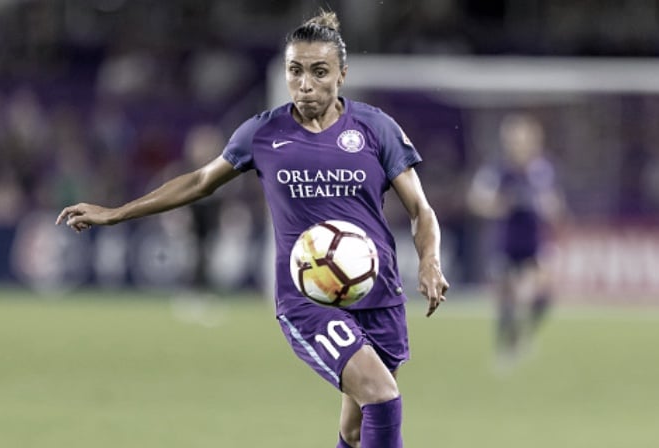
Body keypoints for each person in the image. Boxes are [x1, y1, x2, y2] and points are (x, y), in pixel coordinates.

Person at [56, 10, 449, 448]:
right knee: (381, 395)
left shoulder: (376, 129)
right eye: (295, 70)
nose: (305, 83)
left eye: (319, 72)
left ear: (342, 74)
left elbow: (421, 209)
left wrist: (430, 259)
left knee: (357, 431)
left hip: (377, 294)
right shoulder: (263, 133)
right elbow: (201, 181)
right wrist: (116, 212)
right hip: (308, 298)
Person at [467, 113, 565, 367]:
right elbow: (477, 201)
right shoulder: (496, 171)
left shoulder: (542, 170)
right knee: (506, 298)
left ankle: (525, 333)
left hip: (534, 240)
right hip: (506, 240)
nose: (521, 146)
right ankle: (505, 347)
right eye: (516, 140)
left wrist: (551, 209)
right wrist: (500, 206)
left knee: (545, 293)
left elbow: (554, 202)